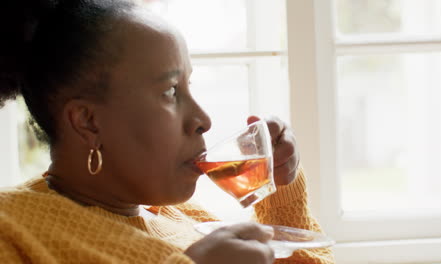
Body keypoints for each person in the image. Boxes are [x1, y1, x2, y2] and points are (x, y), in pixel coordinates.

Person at [0, 0, 335, 263]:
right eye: (171, 92)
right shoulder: (12, 228)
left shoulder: (185, 218)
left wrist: (280, 193)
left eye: (189, 86)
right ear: (88, 122)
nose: (204, 119)